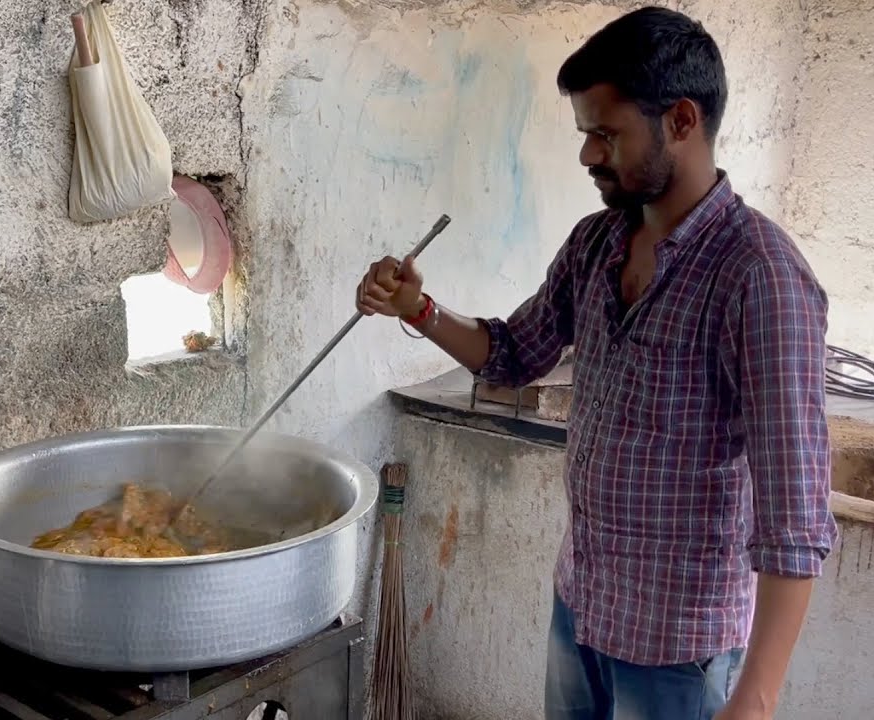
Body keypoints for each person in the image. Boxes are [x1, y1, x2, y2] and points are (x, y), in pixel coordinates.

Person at [355, 6, 837, 720]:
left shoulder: (758, 275)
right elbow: (511, 355)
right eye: (585, 134)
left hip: (679, 648)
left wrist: (756, 699)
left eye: (606, 135)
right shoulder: (596, 244)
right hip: (583, 605)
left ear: (681, 120)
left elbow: (793, 514)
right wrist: (419, 310)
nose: (587, 155)